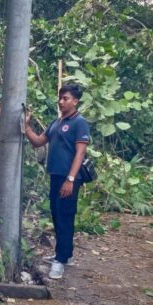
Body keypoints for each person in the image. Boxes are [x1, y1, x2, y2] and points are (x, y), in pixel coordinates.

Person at [24, 84, 91, 280]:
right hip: (55, 176)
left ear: (75, 101)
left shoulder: (79, 123)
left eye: (66, 98)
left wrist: (70, 179)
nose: (61, 102)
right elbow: (38, 141)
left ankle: (60, 261)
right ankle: (65, 254)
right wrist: (26, 126)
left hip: (69, 178)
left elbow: (80, 153)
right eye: (60, 98)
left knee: (65, 216)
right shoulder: (56, 122)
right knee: (56, 213)